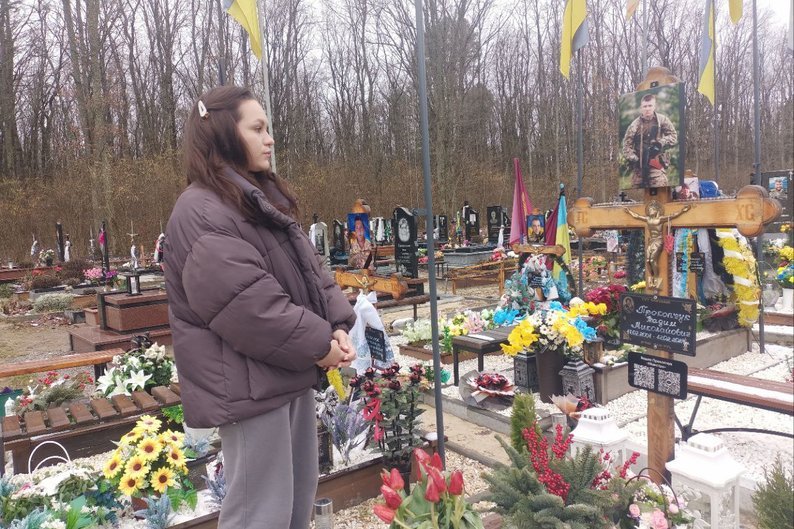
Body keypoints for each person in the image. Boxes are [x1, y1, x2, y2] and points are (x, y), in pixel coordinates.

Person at [164, 86, 356, 529]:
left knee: (295, 501)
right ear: (224, 135)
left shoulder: (252, 198)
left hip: (285, 371)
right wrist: (320, 346)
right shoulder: (202, 211)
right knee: (259, 513)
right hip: (248, 387)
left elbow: (309, 268)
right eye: (257, 129)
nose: (269, 139)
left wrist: (337, 324)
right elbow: (249, 308)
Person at [623, 201, 690, 291]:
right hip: (651, 241)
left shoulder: (660, 219)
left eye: (652, 209)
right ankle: (652, 277)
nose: (650, 211)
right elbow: (637, 216)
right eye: (649, 209)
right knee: (647, 260)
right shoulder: (648, 219)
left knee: (652, 259)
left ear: (656, 211)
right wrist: (629, 211)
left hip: (658, 241)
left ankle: (656, 278)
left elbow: (672, 216)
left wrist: (682, 211)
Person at [622, 93, 678, 188]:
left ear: (654, 106)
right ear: (641, 108)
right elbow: (626, 146)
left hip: (655, 163)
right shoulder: (634, 125)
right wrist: (634, 158)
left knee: (661, 186)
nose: (647, 109)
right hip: (639, 167)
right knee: (637, 191)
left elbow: (673, 136)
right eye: (645, 106)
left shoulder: (662, 120)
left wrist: (661, 143)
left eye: (650, 105)